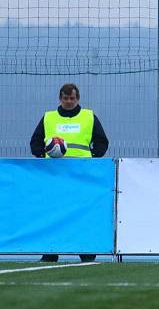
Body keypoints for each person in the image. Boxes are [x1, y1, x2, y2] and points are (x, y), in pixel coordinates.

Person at [30, 83, 109, 263]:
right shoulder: (48, 117)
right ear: (60, 99)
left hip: (81, 175)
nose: (68, 101)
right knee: (52, 213)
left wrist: (92, 160)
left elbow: (102, 141)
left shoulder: (88, 116)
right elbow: (35, 142)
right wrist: (43, 156)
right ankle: (50, 251)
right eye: (65, 98)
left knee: (82, 213)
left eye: (72, 98)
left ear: (77, 99)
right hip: (54, 175)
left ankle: (86, 251)